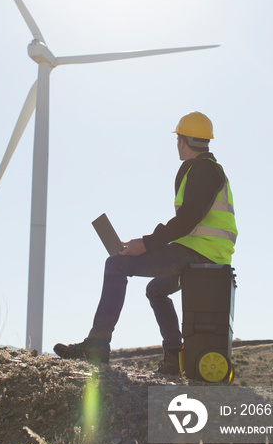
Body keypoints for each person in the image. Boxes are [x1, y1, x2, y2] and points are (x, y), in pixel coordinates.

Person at [54, 111, 237, 375]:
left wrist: (147, 243)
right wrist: (146, 244)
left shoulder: (204, 171)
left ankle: (97, 346)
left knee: (116, 265)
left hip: (198, 255)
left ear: (182, 141)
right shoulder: (205, 170)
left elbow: (187, 220)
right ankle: (174, 357)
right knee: (156, 290)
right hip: (202, 254)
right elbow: (190, 221)